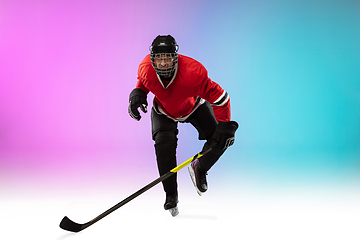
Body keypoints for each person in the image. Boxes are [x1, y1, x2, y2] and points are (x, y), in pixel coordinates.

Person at [128, 35, 238, 216]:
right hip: (164, 111)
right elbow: (144, 81)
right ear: (152, 59)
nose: (163, 64)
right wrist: (139, 91)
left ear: (176, 58)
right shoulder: (146, 68)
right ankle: (171, 195)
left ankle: (200, 167)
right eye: (159, 59)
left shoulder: (193, 72)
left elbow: (221, 98)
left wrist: (224, 124)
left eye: (168, 58)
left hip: (194, 107)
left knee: (222, 138)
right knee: (164, 147)